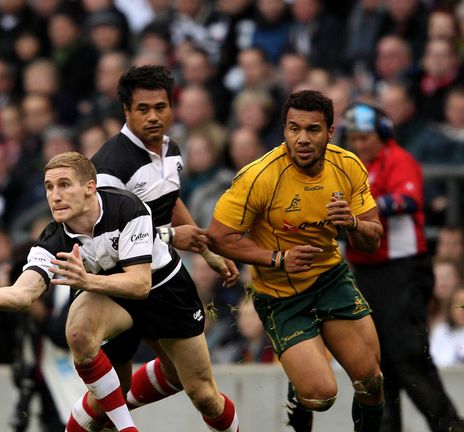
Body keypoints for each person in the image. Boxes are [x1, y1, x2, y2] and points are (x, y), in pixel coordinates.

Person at [206, 90, 385, 432]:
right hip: (280, 295)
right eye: (294, 129)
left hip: (331, 279)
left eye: (313, 130)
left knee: (371, 381)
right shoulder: (259, 176)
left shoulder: (347, 165)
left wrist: (352, 223)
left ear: (330, 132)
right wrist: (276, 258)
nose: (302, 139)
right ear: (284, 130)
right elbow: (218, 236)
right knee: (321, 395)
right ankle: (299, 395)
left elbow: (373, 238)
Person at [0, 151, 165, 432]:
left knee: (195, 386)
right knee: (96, 402)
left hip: (145, 305)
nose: (55, 195)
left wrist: (85, 282)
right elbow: (23, 292)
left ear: (89, 188)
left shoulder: (123, 210)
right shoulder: (49, 244)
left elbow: (138, 284)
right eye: (49, 187)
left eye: (63, 185)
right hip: (55, 372)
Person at [79, 65, 240, 432]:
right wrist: (171, 237)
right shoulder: (108, 168)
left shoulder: (172, 148)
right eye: (143, 109)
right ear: (126, 111)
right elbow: (112, 237)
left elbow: (168, 200)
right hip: (121, 288)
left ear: (172, 107)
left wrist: (206, 249)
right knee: (106, 404)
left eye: (161, 107)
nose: (154, 116)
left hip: (166, 283)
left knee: (202, 394)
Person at [342, 102, 464, 432]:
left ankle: (449, 425)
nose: (359, 145)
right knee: (376, 362)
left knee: (408, 354)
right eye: (353, 138)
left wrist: (360, 209)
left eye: (365, 137)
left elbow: (409, 201)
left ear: (381, 135)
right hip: (365, 272)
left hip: (402, 270)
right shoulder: (350, 167)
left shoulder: (399, 160)